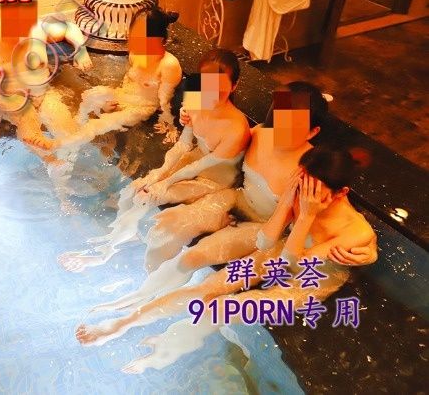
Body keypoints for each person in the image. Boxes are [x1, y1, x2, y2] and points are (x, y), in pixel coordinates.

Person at [76, 145, 377, 374]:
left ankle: (165, 350)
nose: (304, 195)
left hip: (312, 278)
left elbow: (291, 265)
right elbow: (265, 242)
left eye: (312, 192)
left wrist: (307, 214)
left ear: (341, 193)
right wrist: (289, 199)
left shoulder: (355, 232)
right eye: (301, 184)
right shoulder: (301, 193)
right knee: (207, 287)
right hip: (285, 249)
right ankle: (125, 322)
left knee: (223, 308)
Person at [91, 82, 377, 312]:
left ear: (313, 132)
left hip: (264, 229)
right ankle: (145, 286)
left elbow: (340, 211)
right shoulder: (260, 133)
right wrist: (192, 118)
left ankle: (153, 303)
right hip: (236, 199)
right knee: (168, 225)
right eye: (278, 118)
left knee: (196, 258)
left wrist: (368, 249)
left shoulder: (311, 170)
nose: (280, 130)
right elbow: (222, 136)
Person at [58, 50, 250, 272]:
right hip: (193, 161)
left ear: (234, 86)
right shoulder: (197, 99)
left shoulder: (236, 128)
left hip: (214, 181)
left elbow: (201, 167)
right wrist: (160, 173)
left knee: (146, 197)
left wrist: (164, 183)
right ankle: (117, 236)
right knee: (134, 188)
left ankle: (107, 253)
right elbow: (183, 145)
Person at [0, 0, 94, 212]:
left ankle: (69, 170)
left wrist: (81, 50)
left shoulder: (38, 30)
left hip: (43, 93)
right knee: (27, 120)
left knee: (71, 131)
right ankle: (52, 164)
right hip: (11, 98)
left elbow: (70, 28)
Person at [54, 7, 182, 150]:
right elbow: (128, 81)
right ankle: (77, 125)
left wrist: (169, 123)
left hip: (142, 108)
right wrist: (112, 101)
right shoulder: (136, 54)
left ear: (160, 38)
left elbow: (165, 100)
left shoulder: (168, 65)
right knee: (93, 95)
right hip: (124, 98)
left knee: (104, 123)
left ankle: (59, 144)